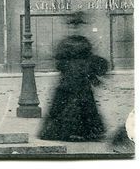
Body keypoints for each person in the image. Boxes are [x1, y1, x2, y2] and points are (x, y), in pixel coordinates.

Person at [39, 12, 109, 142]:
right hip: (72, 79)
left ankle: (79, 133)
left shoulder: (77, 43)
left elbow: (87, 60)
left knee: (81, 104)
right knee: (71, 103)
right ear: (69, 27)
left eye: (77, 26)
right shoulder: (71, 43)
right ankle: (74, 133)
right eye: (73, 26)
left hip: (78, 79)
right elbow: (60, 64)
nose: (75, 29)